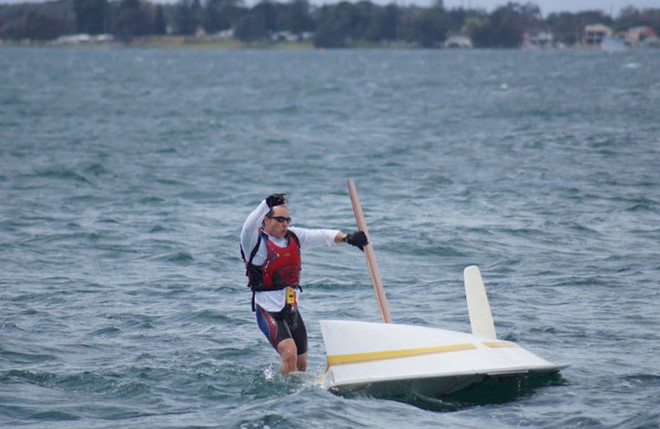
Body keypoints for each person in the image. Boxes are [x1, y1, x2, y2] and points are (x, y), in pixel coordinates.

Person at [240, 193, 368, 374]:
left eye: (287, 220)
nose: (285, 224)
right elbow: (247, 227)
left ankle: (299, 398)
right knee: (289, 353)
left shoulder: (294, 237)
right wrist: (266, 203)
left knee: (301, 365)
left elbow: (322, 236)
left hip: (291, 309)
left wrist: (348, 238)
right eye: (280, 219)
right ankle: (284, 395)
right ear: (266, 221)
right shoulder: (253, 244)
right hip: (268, 310)